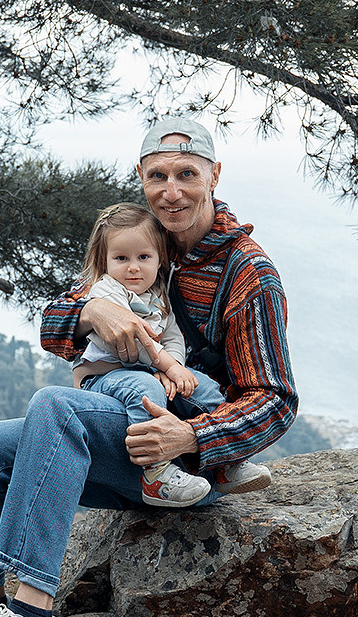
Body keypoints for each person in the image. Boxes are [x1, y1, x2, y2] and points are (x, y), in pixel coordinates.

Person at [0, 117, 296, 617]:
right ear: (141, 177)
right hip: (116, 439)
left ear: (214, 175)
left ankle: (30, 607)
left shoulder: (247, 275)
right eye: (158, 176)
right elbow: (51, 328)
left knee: (55, 404)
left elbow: (276, 402)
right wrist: (89, 312)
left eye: (187, 175)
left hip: (185, 469)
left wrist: (190, 438)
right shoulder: (139, 243)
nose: (171, 192)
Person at [69, 202, 265, 508]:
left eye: (143, 257)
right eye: (121, 258)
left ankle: (226, 463)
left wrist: (173, 368)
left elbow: (172, 336)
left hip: (148, 369)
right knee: (146, 391)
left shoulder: (158, 294)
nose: (133, 267)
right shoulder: (107, 291)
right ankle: (155, 474)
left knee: (206, 389)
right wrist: (169, 368)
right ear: (104, 261)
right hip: (106, 375)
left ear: (160, 260)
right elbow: (141, 341)